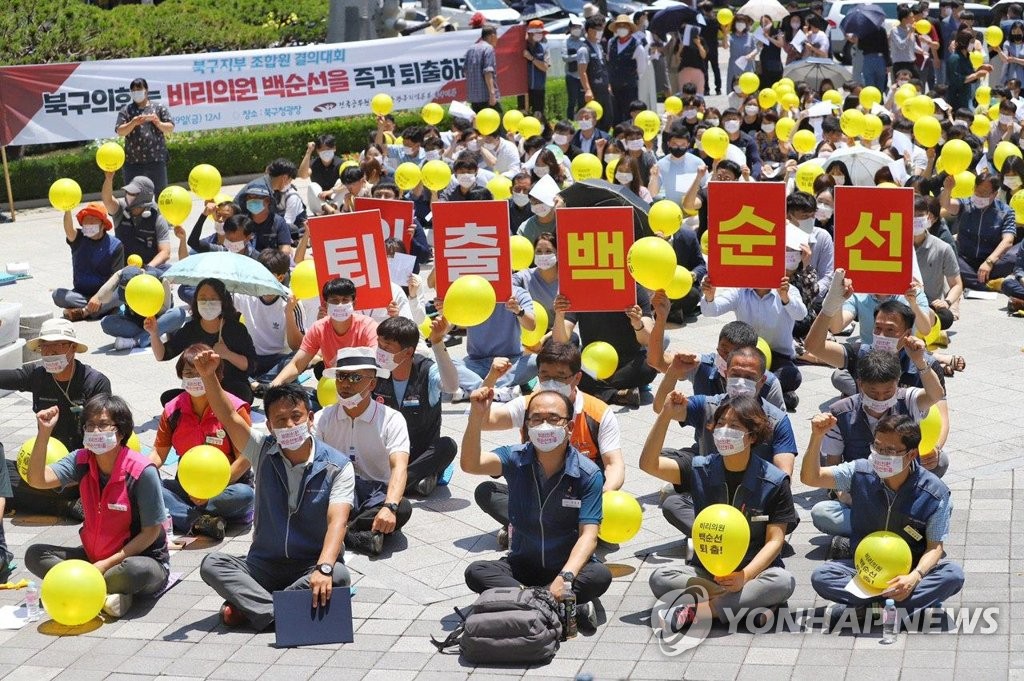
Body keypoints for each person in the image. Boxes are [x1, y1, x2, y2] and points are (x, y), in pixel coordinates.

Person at [194, 353, 354, 630]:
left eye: (296, 417)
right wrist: (208, 375)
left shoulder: (337, 466)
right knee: (213, 563)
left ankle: (257, 608)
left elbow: (337, 522)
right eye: (280, 420)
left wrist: (324, 567)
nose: (290, 425)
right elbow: (229, 416)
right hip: (263, 564)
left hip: (310, 565)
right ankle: (282, 611)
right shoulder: (263, 450)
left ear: (311, 418)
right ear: (269, 426)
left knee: (339, 574)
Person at [462, 387, 612, 630]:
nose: (544, 426)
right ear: (526, 427)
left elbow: (589, 536)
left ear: (569, 427)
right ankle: (559, 605)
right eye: (536, 419)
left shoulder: (588, 474)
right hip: (523, 565)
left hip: (567, 567)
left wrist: (565, 577)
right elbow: (470, 464)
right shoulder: (514, 458)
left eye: (554, 419)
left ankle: (525, 600)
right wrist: (476, 417)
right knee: (476, 571)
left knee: (600, 576)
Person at [643, 394, 798, 628]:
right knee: (659, 578)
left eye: (734, 426)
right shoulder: (699, 468)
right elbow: (649, 464)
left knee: (782, 582)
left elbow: (775, 542)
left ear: (752, 436)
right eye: (721, 424)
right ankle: (746, 604)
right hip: (707, 572)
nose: (725, 431)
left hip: (754, 572)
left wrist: (744, 577)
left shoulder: (774, 481)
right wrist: (665, 415)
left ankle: (703, 611)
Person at [803, 413, 964, 623]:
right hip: (866, 568)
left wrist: (914, 578)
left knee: (953, 575)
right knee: (822, 576)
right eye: (877, 447)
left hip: (909, 571)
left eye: (890, 451)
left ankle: (869, 606)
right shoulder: (859, 472)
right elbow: (810, 477)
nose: (881, 455)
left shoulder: (935, 493)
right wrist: (817, 437)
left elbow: (935, 547)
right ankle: (900, 607)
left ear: (911, 454)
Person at [25, 395, 169, 618]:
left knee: (135, 571)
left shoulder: (142, 471)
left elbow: (150, 533)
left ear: (120, 431)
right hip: (92, 558)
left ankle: (88, 587)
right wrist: (43, 434)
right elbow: (37, 479)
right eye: (89, 426)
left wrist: (104, 565)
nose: (95, 431)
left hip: (138, 559)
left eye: (102, 425)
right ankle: (105, 592)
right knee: (35, 554)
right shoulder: (81, 460)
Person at [471, 339, 625, 548]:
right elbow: (485, 421)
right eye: (545, 375)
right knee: (486, 491)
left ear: (577, 377)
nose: (551, 382)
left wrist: (605, 492)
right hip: (538, 492)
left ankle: (531, 527)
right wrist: (491, 379)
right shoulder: (528, 404)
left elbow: (614, 464)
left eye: (560, 377)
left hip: (578, 496)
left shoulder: (598, 412)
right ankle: (548, 528)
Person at [0, 320, 112, 518]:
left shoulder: (95, 382)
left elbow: (103, 438)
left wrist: (76, 474)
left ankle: (67, 500)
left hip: (82, 467)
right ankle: (64, 506)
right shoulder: (37, 376)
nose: (50, 352)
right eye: (45, 346)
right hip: (45, 464)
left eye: (57, 345)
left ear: (73, 348)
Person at [313, 348, 414, 556]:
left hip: (375, 493)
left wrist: (390, 507)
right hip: (335, 492)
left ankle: (339, 531)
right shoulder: (322, 418)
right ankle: (358, 534)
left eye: (355, 377)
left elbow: (399, 466)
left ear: (373, 383)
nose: (346, 384)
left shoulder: (391, 419)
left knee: (402, 508)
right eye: (341, 376)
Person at [154, 344, 254, 540]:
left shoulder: (234, 408)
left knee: (244, 495)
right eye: (188, 373)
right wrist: (140, 473)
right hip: (187, 485)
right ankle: (200, 521)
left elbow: (247, 456)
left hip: (227, 485)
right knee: (151, 487)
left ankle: (185, 513)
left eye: (200, 372)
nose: (194, 378)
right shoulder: (172, 410)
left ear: (217, 374)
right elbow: (158, 454)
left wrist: (212, 489)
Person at [371, 317, 459, 496]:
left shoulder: (427, 371)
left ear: (407, 352)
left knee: (448, 446)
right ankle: (416, 481)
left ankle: (392, 485)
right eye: (379, 345)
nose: (381, 352)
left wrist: (437, 342)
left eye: (387, 348)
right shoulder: (375, 371)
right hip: (388, 453)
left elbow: (451, 386)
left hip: (420, 453)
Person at [700, 274, 806, 411]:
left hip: (778, 356)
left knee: (791, 376)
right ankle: (768, 396)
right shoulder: (740, 292)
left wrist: (785, 298)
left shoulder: (788, 290)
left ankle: (751, 394)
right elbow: (710, 310)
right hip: (745, 355)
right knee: (728, 372)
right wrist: (709, 296)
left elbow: (801, 314)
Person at [148, 278, 256, 404]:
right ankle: (206, 406)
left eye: (213, 299)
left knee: (241, 392)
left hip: (229, 388)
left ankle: (213, 408)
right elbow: (163, 355)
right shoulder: (191, 328)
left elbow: (251, 365)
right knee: (168, 398)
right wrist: (154, 334)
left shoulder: (236, 329)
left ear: (223, 301)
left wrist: (227, 354)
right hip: (199, 389)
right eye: (202, 298)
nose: (207, 303)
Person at [650, 318, 786, 411]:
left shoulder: (769, 384)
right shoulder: (703, 369)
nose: (728, 360)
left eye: (735, 354)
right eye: (724, 351)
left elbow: (779, 433)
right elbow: (662, 408)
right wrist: (674, 370)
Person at [552, 288, 656, 407]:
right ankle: (615, 395)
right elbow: (559, 341)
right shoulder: (579, 289)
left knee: (649, 365)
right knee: (564, 363)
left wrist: (637, 323)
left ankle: (597, 390)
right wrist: (559, 315)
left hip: (627, 363)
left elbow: (648, 340)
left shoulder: (635, 290)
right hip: (592, 363)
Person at [270, 277, 378, 388]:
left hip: (362, 388)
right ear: (326, 304)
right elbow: (297, 365)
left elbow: (376, 358)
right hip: (331, 388)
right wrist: (273, 386)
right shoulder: (318, 328)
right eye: (334, 301)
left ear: (354, 304)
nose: (340, 305)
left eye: (345, 300)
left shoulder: (368, 326)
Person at [450, 287, 538, 400]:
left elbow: (531, 325)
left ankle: (473, 389)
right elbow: (452, 322)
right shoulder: (469, 290)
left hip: (509, 363)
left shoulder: (518, 293)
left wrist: (518, 310)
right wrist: (445, 310)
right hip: (476, 363)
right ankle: (493, 389)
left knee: (535, 361)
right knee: (446, 365)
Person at [234, 249, 304, 387]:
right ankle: (266, 384)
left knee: (296, 358)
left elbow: (297, 346)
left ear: (280, 277)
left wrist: (288, 314)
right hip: (252, 357)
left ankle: (258, 384)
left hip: (279, 359)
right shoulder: (246, 293)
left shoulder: (290, 300)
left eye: (267, 276)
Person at [940, 173, 1021, 290]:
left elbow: (1008, 240)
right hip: (965, 260)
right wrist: (948, 189)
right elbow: (946, 204)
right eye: (977, 191)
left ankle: (973, 281)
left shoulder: (1006, 211)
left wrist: (989, 262)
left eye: (984, 193)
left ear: (994, 194)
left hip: (993, 262)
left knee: (1014, 256)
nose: (979, 196)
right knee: (950, 255)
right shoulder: (965, 204)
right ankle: (989, 285)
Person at [53, 202, 125, 322]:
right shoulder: (79, 238)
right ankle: (98, 311)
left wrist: (98, 297)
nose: (88, 224)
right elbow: (68, 230)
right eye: (85, 221)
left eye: (93, 221)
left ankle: (85, 312)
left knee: (120, 296)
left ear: (103, 224)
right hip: (81, 294)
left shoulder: (116, 245)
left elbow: (116, 279)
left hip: (105, 294)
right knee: (57, 295)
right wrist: (67, 209)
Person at [101, 172, 171, 273]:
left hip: (149, 268)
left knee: (167, 269)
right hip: (124, 269)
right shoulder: (120, 209)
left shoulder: (157, 217)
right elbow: (107, 200)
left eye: (133, 193)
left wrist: (147, 269)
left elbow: (165, 252)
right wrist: (108, 179)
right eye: (128, 192)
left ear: (144, 196)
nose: (128, 195)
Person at [114, 77, 174, 195]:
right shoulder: (126, 110)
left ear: (146, 90)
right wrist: (133, 123)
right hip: (133, 162)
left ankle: (158, 213)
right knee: (133, 196)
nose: (137, 93)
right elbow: (120, 131)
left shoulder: (158, 108)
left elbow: (170, 127)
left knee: (160, 194)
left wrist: (158, 122)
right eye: (134, 90)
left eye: (139, 89)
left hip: (156, 159)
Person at [912, 196, 963, 330]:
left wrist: (946, 302)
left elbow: (957, 284)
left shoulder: (943, 248)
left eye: (919, 216)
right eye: (911, 216)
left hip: (929, 306)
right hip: (900, 304)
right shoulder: (893, 245)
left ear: (928, 217)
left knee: (946, 317)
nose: (915, 220)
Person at [606, 14, 648, 124]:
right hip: (614, 86)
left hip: (629, 87)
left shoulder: (637, 46)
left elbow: (641, 69)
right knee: (615, 115)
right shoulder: (611, 42)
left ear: (630, 28)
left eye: (624, 26)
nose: (621, 28)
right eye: (619, 26)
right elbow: (609, 62)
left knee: (628, 114)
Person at [236, 185, 293, 255]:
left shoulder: (279, 222)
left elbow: (285, 250)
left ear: (268, 201)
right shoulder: (242, 221)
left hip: (270, 263)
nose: (252, 200)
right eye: (249, 197)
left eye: (257, 197)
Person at [578, 15, 614, 128]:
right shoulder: (584, 49)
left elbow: (603, 67)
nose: (600, 32)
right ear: (589, 30)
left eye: (602, 29)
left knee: (608, 118)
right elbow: (582, 71)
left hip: (604, 89)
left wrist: (608, 84)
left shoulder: (599, 46)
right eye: (598, 29)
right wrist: (588, 90)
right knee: (594, 121)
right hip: (594, 91)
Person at [465, 25, 501, 112]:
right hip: (486, 98)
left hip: (473, 98)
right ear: (492, 36)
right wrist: (492, 94)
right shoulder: (488, 48)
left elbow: (465, 71)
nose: (497, 38)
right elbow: (488, 72)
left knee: (478, 124)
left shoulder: (471, 49)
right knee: (497, 121)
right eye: (497, 36)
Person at [524, 20, 549, 115]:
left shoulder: (544, 47)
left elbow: (545, 67)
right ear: (530, 33)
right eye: (537, 33)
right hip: (524, 89)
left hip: (538, 88)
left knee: (538, 116)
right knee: (524, 115)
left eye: (541, 33)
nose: (540, 35)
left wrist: (531, 58)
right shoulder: (522, 46)